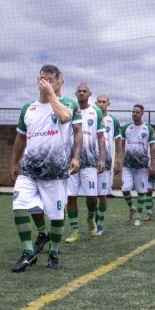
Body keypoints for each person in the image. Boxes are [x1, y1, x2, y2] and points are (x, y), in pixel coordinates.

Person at [7, 65, 80, 272]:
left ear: (59, 82)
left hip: (56, 173)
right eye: (41, 79)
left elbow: (65, 118)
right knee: (19, 205)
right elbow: (21, 137)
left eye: (49, 79)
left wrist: (50, 95)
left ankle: (54, 251)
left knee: (57, 216)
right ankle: (29, 252)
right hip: (29, 170)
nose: (44, 83)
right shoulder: (27, 108)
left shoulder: (68, 104)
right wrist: (14, 162)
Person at [64, 84, 106, 243]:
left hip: (90, 161)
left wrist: (102, 159)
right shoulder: (69, 109)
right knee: (71, 196)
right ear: (76, 93)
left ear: (90, 94)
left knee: (91, 197)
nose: (81, 93)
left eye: (84, 91)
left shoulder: (96, 112)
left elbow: (101, 137)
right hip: (71, 161)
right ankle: (74, 231)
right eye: (79, 91)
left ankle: (90, 218)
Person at [119, 105, 155, 227]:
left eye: (137, 112)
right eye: (133, 112)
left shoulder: (148, 129)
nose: (134, 114)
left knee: (141, 192)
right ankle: (131, 208)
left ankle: (139, 217)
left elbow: (152, 147)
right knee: (125, 189)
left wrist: (152, 164)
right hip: (127, 165)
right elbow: (122, 145)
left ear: (142, 114)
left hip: (142, 166)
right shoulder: (126, 128)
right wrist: (119, 160)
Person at [95, 94, 122, 234]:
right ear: (95, 102)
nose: (101, 104)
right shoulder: (90, 116)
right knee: (91, 195)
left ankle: (100, 223)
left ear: (108, 104)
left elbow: (118, 142)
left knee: (102, 194)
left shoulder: (113, 120)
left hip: (106, 162)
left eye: (103, 102)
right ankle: (93, 219)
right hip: (89, 161)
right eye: (99, 101)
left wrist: (118, 160)